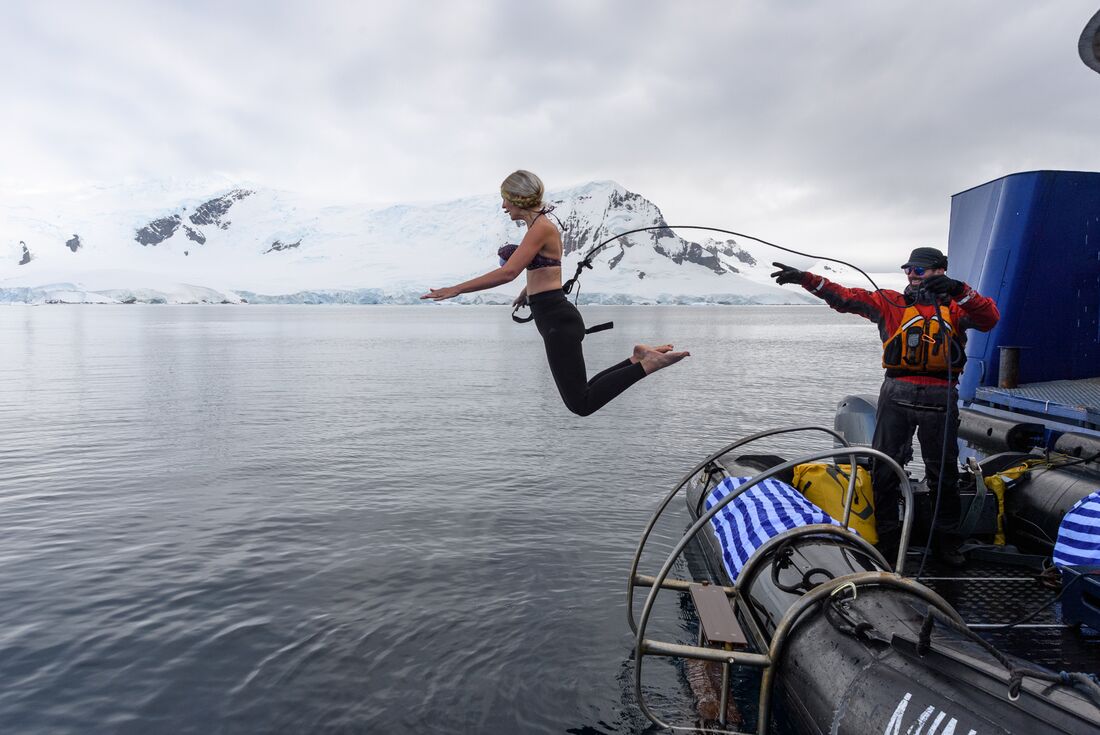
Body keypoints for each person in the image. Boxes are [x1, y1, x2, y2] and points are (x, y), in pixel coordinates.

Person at [770, 247, 1000, 564]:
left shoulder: (956, 308)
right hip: (896, 392)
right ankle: (888, 541)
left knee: (943, 473)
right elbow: (845, 297)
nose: (911, 274)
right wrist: (806, 279)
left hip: (940, 395)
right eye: (908, 269)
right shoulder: (890, 302)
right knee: (885, 470)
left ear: (939, 272)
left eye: (919, 270)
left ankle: (946, 543)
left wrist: (959, 290)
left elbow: (989, 318)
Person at [421, 170, 689, 416]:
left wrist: (455, 289)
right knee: (581, 393)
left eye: (506, 200)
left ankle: (647, 364)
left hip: (558, 321)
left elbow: (508, 272)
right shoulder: (537, 226)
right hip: (554, 317)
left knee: (582, 404)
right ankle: (638, 358)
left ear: (519, 198)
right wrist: (528, 291)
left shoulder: (541, 228)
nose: (504, 207)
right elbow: (548, 265)